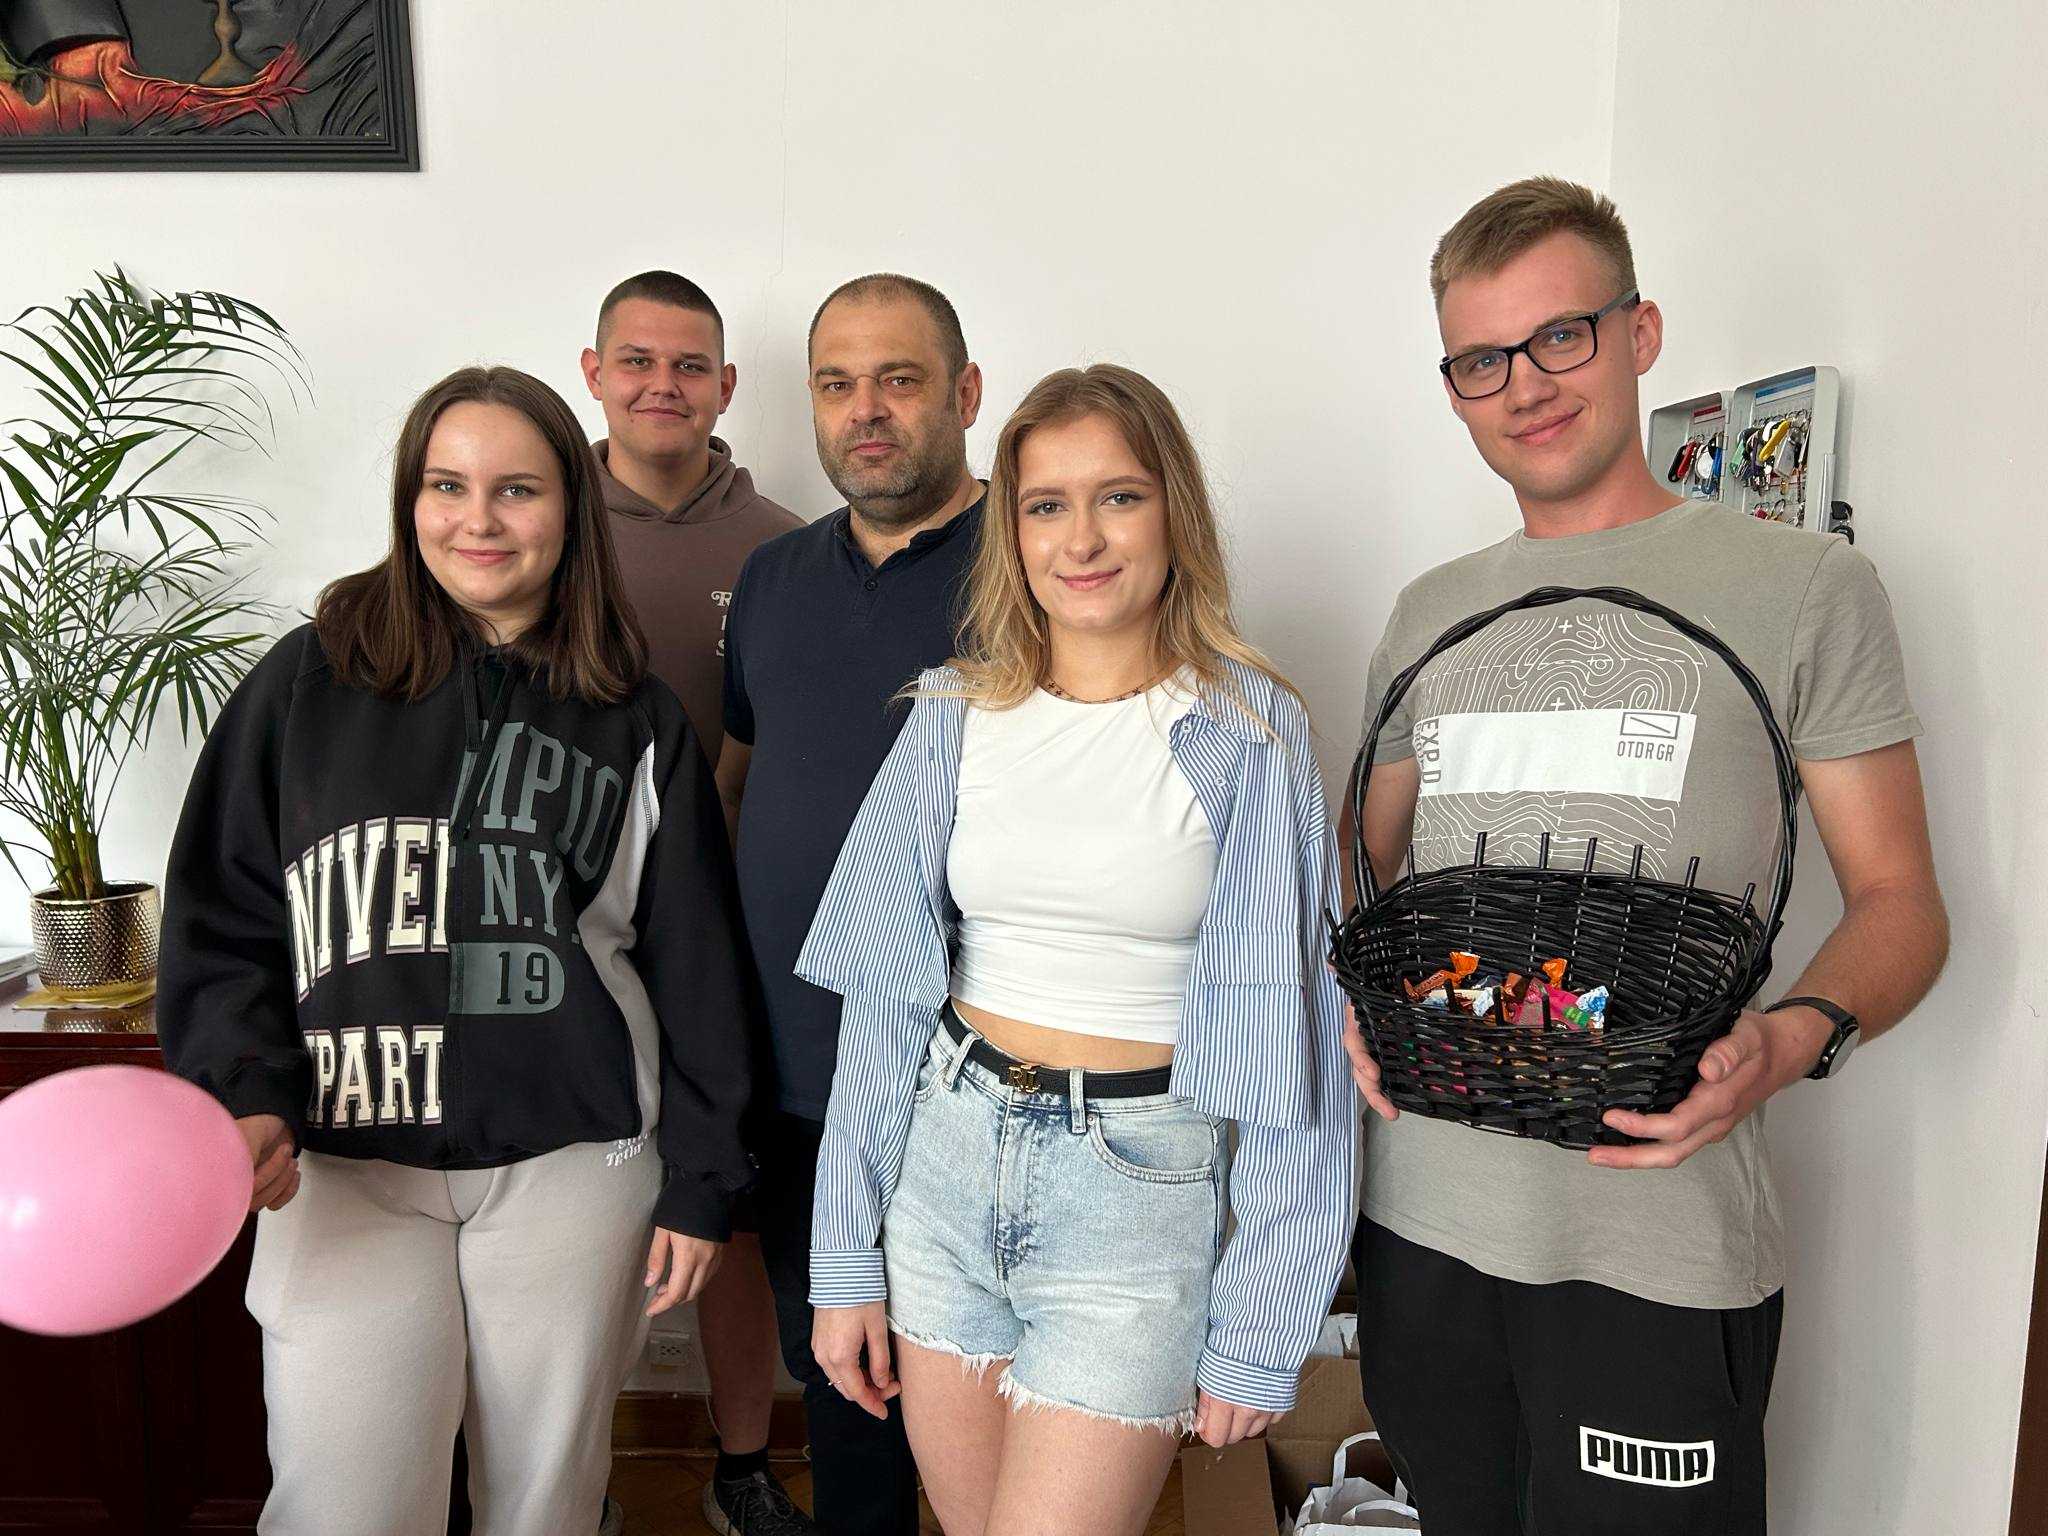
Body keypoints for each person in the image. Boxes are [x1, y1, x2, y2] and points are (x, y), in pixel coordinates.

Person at [1342, 178, 1948, 1534]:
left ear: (1640, 333)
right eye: (1483, 360)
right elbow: (1360, 874)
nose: (1525, 386)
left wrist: (1788, 1041)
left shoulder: (1803, 590)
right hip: (1424, 1231)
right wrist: (1352, 1005)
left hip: (1660, 1246)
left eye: (1560, 336)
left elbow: (1902, 904)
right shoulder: (1427, 615)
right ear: (1453, 390)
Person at [157, 366, 758, 1536]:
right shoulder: (302, 682)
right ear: (409, 499)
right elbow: (225, 919)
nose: (477, 519)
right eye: (447, 485)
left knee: (544, 1505)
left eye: (516, 489)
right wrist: (247, 1092)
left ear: (571, 508)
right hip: (342, 1168)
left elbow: (692, 961)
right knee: (342, 1504)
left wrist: (703, 1180)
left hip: (572, 1164)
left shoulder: (629, 713)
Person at [799, 364, 1355, 1536]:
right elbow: (884, 1005)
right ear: (1011, 532)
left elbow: (1297, 1047)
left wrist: (1262, 1328)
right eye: (1045, 505)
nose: (1081, 539)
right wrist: (843, 1254)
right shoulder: (949, 715)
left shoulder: (1249, 733)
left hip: (1135, 1198)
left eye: (1118, 498)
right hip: (945, 1168)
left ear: (1173, 514)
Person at [715, 272, 986, 1534]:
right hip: (798, 1070)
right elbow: (742, 779)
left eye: (897, 379)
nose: (863, 410)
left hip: (979, 1076)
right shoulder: (770, 578)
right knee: (841, 1380)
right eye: (836, 384)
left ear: (964, 394)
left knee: (985, 1393)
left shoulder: (1044, 561)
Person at [580, 269, 806, 1534]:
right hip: (573, 943)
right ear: (594, 373)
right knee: (574, 1216)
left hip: (738, 941)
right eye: (637, 360)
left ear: (724, 385)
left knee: (730, 1209)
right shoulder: (535, 524)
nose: (661, 385)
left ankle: (740, 1466)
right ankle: (576, 1482)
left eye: (687, 365)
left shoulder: (785, 545)